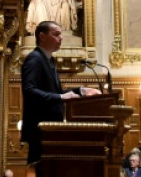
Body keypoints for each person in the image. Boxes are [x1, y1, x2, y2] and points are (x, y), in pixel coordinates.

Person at [22, 21, 100, 174]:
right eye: (56, 34)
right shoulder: (35, 59)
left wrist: (80, 91)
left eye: (61, 34)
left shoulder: (49, 60)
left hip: (51, 130)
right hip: (41, 130)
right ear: (42, 36)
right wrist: (60, 97)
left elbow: (58, 92)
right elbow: (29, 91)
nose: (61, 38)